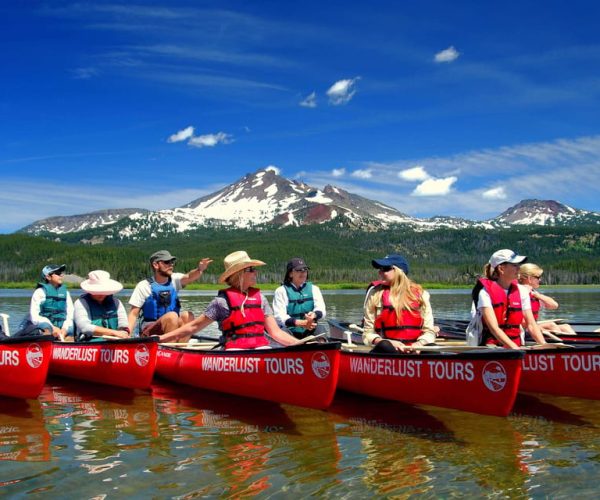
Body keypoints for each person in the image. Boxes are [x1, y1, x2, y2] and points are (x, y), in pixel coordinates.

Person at [160, 251, 300, 349]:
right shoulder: (221, 302)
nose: (255, 272)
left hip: (259, 348)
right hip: (234, 351)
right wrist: (160, 339)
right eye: (250, 269)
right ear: (239, 274)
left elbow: (276, 332)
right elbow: (193, 327)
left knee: (265, 349)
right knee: (239, 351)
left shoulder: (261, 299)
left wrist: (302, 344)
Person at [128, 250, 212, 339]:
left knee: (188, 315)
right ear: (156, 265)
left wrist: (199, 269)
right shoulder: (144, 285)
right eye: (167, 262)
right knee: (171, 317)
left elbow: (189, 277)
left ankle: (180, 347)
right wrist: (127, 334)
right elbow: (133, 314)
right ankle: (169, 348)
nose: (171, 265)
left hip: (173, 328)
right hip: (150, 331)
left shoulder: (174, 279)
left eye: (172, 262)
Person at [471, 249, 546, 349]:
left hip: (516, 345)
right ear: (501, 269)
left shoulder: (522, 291)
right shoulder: (485, 293)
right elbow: (494, 328)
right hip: (492, 346)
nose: (519, 268)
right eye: (514, 265)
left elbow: (531, 324)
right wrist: (515, 349)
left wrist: (545, 346)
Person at [363, 254, 437, 352]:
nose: (380, 272)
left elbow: (429, 331)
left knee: (431, 347)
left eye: (385, 269)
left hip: (414, 349)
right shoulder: (374, 294)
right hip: (386, 350)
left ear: (398, 271)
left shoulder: (422, 295)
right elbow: (368, 332)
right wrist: (382, 341)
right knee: (385, 345)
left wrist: (419, 344)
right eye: (380, 268)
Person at [272, 258, 327, 339]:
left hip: (309, 330)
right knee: (282, 332)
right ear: (290, 274)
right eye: (299, 270)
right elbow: (279, 316)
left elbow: (321, 310)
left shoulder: (314, 289)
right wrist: (299, 323)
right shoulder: (281, 291)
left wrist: (314, 315)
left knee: (320, 329)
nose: (303, 272)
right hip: (290, 331)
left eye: (305, 269)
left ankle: (323, 350)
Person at [518, 263, 577, 335]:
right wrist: (540, 329)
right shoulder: (519, 292)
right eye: (538, 277)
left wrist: (538, 295)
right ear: (530, 279)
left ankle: (576, 341)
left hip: (532, 325)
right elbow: (521, 321)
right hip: (524, 328)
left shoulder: (534, 293)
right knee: (551, 326)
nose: (540, 279)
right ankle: (564, 342)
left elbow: (554, 305)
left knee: (565, 327)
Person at [19, 264, 73, 340]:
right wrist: (52, 327)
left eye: (61, 273)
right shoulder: (39, 292)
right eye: (57, 273)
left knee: (70, 334)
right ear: (48, 277)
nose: (61, 275)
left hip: (62, 324)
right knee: (47, 330)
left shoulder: (66, 293)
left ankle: (68, 348)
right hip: (45, 324)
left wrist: (64, 328)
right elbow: (34, 316)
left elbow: (70, 314)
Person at [74, 270, 130, 341]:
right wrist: (114, 333)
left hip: (115, 342)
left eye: (103, 291)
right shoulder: (80, 303)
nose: (101, 294)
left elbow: (123, 323)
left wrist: (124, 332)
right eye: (97, 291)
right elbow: (84, 327)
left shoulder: (117, 302)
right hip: (89, 343)